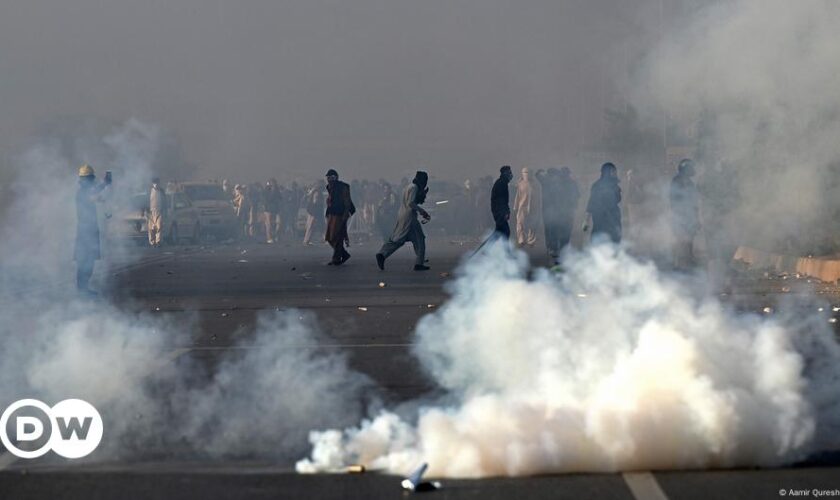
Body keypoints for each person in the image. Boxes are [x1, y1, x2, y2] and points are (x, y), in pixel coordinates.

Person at [376, 171, 431, 271]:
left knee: (400, 240)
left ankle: (382, 254)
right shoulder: (414, 188)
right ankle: (419, 263)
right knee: (419, 239)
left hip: (403, 215)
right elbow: (411, 203)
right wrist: (422, 211)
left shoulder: (409, 187)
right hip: (410, 218)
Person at [74, 164, 109, 295]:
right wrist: (104, 184)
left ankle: (83, 288)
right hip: (85, 232)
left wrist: (104, 187)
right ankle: (82, 289)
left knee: (89, 260)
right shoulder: (83, 192)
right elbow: (93, 196)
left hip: (89, 231)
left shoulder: (85, 191)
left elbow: (94, 196)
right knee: (85, 260)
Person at [537, 167, 579, 261]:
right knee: (559, 231)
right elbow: (577, 196)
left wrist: (540, 172)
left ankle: (555, 249)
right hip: (559, 212)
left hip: (557, 212)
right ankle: (560, 249)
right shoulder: (557, 183)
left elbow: (575, 196)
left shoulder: (552, 183)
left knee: (554, 231)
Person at [670, 158, 701, 270]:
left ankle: (688, 260)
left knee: (689, 239)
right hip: (681, 216)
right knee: (681, 239)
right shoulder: (677, 181)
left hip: (689, 216)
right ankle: (678, 263)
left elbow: (694, 201)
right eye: (691, 168)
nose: (693, 170)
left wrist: (696, 218)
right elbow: (674, 200)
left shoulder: (689, 182)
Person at [584, 162, 622, 243]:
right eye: (612, 171)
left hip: (613, 215)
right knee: (599, 236)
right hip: (600, 216)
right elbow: (591, 202)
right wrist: (586, 220)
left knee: (615, 236)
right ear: (606, 172)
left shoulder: (615, 185)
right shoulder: (597, 186)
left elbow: (618, 199)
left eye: (615, 171)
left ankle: (614, 254)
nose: (615, 173)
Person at [324, 169, 356, 265]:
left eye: (332, 177)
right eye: (328, 177)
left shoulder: (343, 187)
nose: (329, 179)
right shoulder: (330, 187)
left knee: (337, 236)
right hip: (332, 214)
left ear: (336, 177)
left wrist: (345, 214)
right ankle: (343, 254)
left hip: (340, 214)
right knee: (330, 237)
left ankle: (336, 258)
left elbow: (347, 201)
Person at [513, 167, 540, 247]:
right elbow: (518, 195)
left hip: (533, 207)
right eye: (524, 173)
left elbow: (538, 196)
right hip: (522, 207)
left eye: (528, 173)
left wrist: (539, 206)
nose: (526, 174)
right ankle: (521, 240)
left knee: (532, 225)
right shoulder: (520, 183)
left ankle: (531, 241)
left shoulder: (535, 184)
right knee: (520, 223)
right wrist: (515, 206)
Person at [491, 166, 514, 239]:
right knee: (505, 232)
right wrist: (505, 212)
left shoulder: (502, 182)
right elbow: (501, 201)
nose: (511, 174)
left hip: (499, 212)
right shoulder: (501, 184)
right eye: (509, 173)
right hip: (499, 212)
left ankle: (492, 248)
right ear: (505, 173)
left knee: (500, 232)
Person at [148, 177, 167, 247]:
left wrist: (165, 211)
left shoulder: (161, 191)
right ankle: (152, 242)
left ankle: (158, 241)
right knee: (151, 228)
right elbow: (145, 201)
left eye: (157, 183)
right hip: (150, 212)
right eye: (154, 183)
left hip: (159, 211)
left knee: (159, 227)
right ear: (152, 183)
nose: (155, 184)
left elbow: (165, 201)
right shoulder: (149, 191)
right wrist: (143, 210)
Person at [262, 179, 281, 244]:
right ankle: (269, 238)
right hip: (268, 209)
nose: (274, 184)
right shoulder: (266, 190)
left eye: (274, 183)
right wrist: (273, 191)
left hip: (276, 209)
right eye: (272, 183)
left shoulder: (277, 190)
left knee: (278, 223)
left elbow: (280, 198)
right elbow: (268, 199)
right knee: (269, 224)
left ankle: (276, 236)